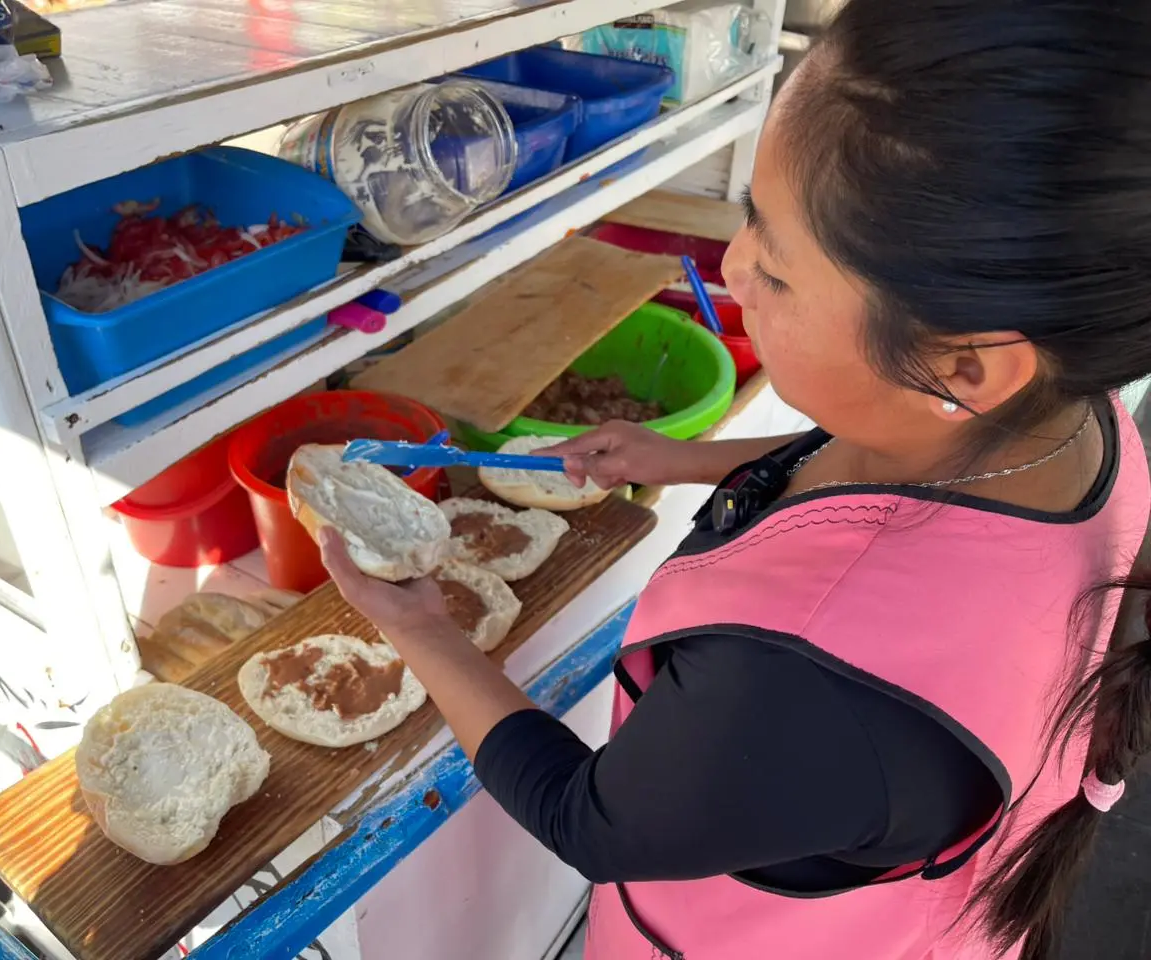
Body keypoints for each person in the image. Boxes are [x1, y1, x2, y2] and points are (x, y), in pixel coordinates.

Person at [319, 1, 1151, 956]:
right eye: (751, 215)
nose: (734, 266)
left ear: (961, 367)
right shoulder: (1073, 422)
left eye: (779, 266)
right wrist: (691, 460)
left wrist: (422, 628)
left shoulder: (803, 687)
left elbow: (590, 822)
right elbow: (866, 473)